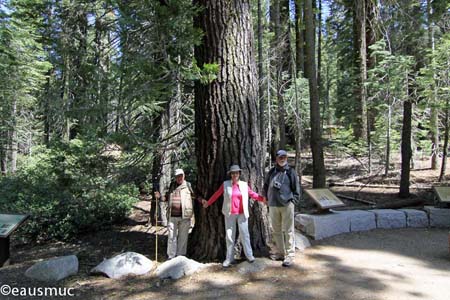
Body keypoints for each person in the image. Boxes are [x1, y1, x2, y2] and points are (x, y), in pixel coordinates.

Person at [202, 164, 267, 268]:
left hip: (242, 214)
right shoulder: (225, 184)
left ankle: (249, 256)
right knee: (229, 236)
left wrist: (262, 199)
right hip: (229, 213)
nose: (235, 175)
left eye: (236, 173)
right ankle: (229, 258)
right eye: (233, 173)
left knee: (245, 234)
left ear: (239, 174)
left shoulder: (244, 185)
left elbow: (252, 194)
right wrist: (208, 203)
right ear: (230, 174)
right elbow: (217, 194)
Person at [263, 149, 300, 267]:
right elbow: (266, 185)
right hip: (273, 204)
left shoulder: (290, 172)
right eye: (280, 157)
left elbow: (296, 189)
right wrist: (265, 196)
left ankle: (290, 255)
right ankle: (280, 252)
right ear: (276, 158)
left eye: (284, 157)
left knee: (288, 230)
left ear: (286, 158)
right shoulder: (272, 171)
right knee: (276, 230)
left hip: (287, 205)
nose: (282, 159)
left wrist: (293, 201)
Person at [165, 168, 195, 259]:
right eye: (177, 176)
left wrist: (203, 201)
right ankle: (171, 256)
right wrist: (159, 196)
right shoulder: (172, 186)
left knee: (183, 237)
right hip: (172, 215)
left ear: (184, 175)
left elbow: (195, 196)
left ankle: (180, 256)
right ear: (175, 177)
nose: (179, 178)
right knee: (171, 236)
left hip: (185, 215)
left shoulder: (188, 185)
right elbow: (166, 198)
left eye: (181, 176)